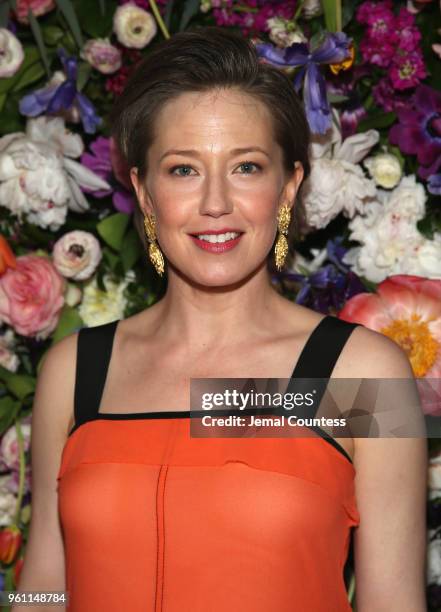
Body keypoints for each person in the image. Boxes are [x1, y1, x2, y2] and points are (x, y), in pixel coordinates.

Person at [14, 26, 427, 612]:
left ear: (288, 187)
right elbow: (45, 585)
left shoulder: (362, 375)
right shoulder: (75, 371)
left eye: (247, 168)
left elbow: (392, 602)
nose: (214, 203)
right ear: (145, 191)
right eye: (183, 169)